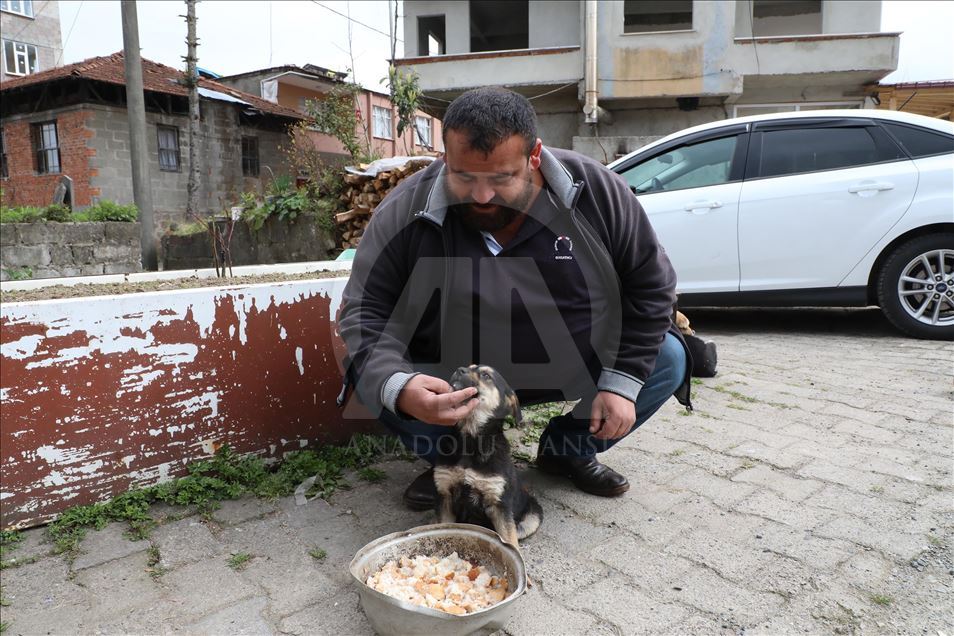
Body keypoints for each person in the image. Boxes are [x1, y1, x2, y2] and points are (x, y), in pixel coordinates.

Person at [339, 87, 691, 510]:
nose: (482, 196)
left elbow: (651, 286)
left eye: (502, 178)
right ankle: (456, 462)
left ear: (534, 156)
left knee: (668, 357)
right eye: (464, 177)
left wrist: (621, 383)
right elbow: (364, 309)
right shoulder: (405, 209)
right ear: (444, 157)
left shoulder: (598, 193)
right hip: (456, 377)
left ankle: (568, 449)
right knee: (371, 371)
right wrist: (404, 386)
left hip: (572, 363)